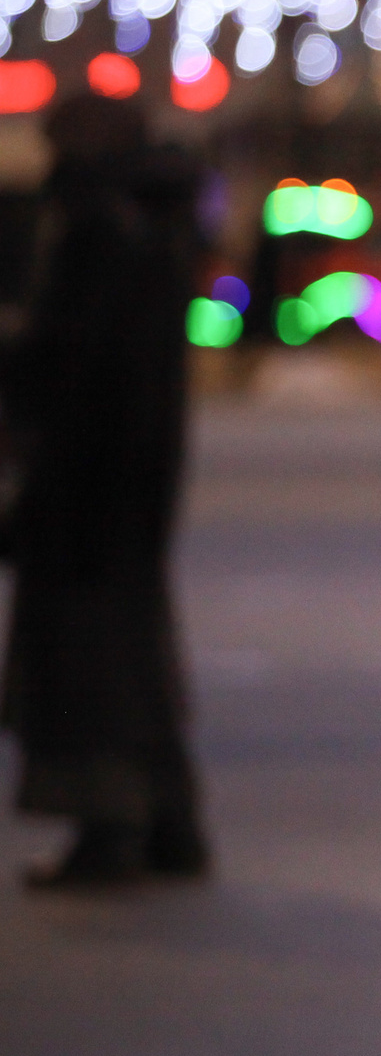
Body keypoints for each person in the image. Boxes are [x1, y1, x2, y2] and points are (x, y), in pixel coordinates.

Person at [1, 94, 210, 888]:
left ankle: (114, 823)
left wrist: (21, 373)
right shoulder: (149, 219)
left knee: (85, 650)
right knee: (130, 640)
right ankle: (165, 817)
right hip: (132, 470)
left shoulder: (100, 226)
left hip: (87, 473)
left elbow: (70, 355)